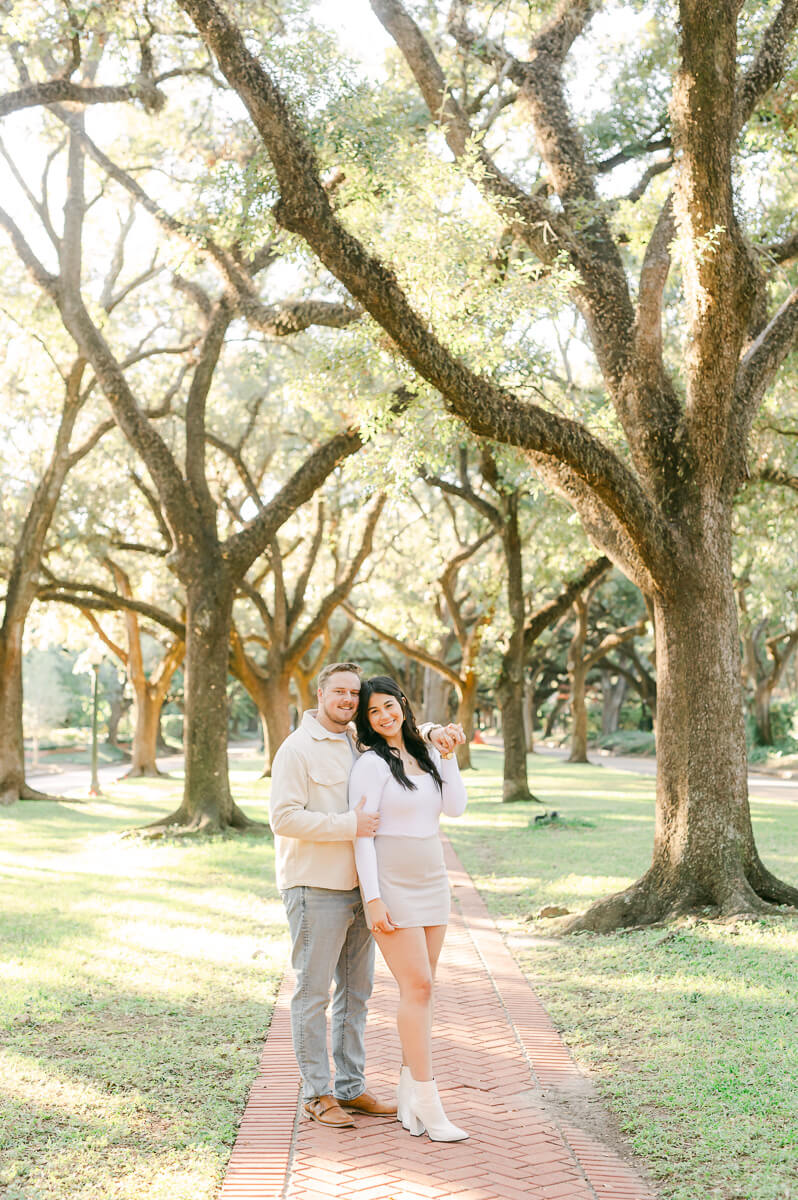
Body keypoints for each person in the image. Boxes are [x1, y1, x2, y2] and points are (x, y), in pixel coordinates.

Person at [269, 661, 464, 1129]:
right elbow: (283, 818)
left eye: (353, 695)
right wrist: (348, 825)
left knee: (357, 993)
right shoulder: (297, 750)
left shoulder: (355, 742)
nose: (348, 701)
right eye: (339, 692)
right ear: (319, 694)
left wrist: (436, 732)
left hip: (362, 887)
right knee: (314, 993)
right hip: (316, 886)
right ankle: (317, 1094)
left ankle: (351, 1089)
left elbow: (398, 727)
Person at [348, 675, 469, 1143]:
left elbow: (454, 808)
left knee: (423, 990)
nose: (383, 716)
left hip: (433, 880)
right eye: (372, 712)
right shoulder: (370, 765)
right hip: (392, 884)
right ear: (366, 720)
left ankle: (406, 1093)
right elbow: (362, 835)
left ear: (402, 703)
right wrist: (372, 897)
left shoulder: (427, 750)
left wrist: (449, 756)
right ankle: (427, 1099)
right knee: (416, 986)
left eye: (387, 706)